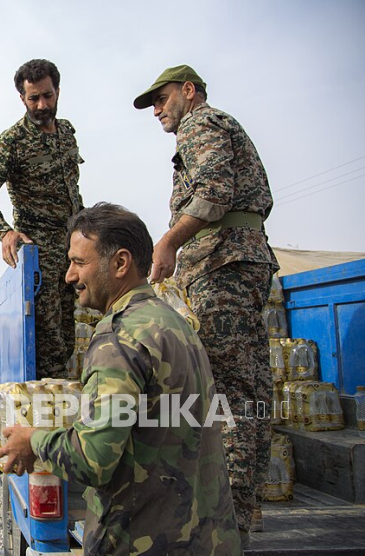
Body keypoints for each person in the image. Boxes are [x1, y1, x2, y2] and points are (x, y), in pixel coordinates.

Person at [0, 203, 241, 555]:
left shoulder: (119, 337)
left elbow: (93, 459)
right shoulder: (173, 323)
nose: (68, 275)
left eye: (79, 262)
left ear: (120, 263)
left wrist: (32, 442)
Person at [134, 65, 277, 538]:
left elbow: (214, 193)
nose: (157, 110)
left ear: (188, 92)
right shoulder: (221, 126)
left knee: (225, 395)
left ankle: (229, 519)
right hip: (243, 262)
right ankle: (248, 506)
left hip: (221, 266)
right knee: (253, 390)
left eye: (162, 99)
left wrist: (169, 242)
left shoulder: (201, 123)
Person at [0, 58, 84, 379]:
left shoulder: (68, 134)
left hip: (77, 250)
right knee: (52, 349)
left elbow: (74, 192)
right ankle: (51, 419)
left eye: (47, 95)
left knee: (80, 336)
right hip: (40, 257)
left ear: (57, 91)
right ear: (22, 98)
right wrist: (5, 232)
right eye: (33, 98)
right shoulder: (12, 143)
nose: (42, 104)